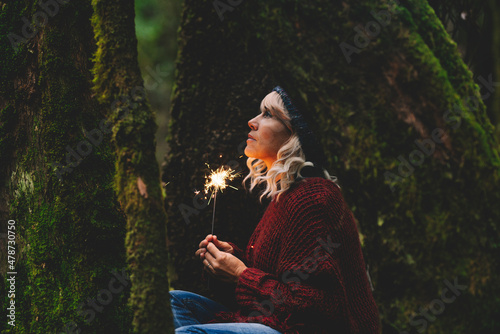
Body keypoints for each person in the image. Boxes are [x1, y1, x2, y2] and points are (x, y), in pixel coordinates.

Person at [170, 86, 381, 333]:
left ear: (295, 134)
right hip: (273, 321)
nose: (252, 121)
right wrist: (234, 259)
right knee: (171, 302)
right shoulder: (285, 196)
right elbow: (282, 275)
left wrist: (241, 275)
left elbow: (317, 307)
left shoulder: (314, 198)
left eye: (268, 114)